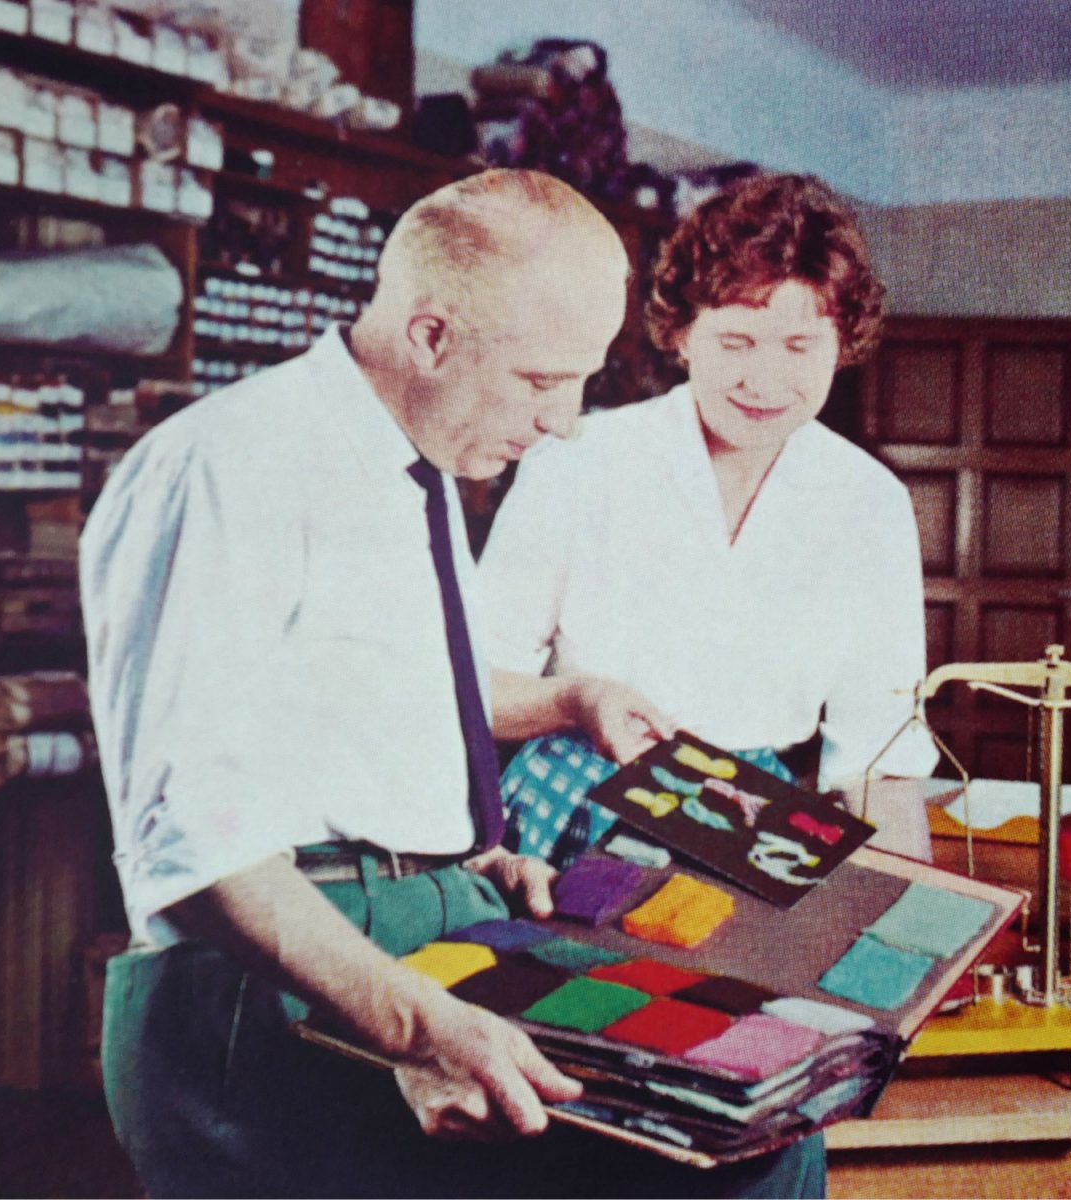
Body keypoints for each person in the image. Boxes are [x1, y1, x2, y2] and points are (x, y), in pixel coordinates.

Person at [81, 168, 822, 1199]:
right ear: (430, 335)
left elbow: (376, 713)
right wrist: (409, 1025)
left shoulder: (409, 471)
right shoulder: (232, 467)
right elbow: (191, 846)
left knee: (760, 1135)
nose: (564, 422)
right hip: (280, 973)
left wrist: (469, 849)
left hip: (428, 921)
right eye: (539, 381)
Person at [482, 173, 938, 870]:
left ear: (842, 343)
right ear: (684, 333)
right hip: (568, 808)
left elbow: (882, 759)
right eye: (736, 342)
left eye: (798, 346)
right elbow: (475, 691)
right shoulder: (578, 460)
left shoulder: (868, 503)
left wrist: (908, 917)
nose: (765, 380)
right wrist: (578, 700)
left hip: (754, 821)